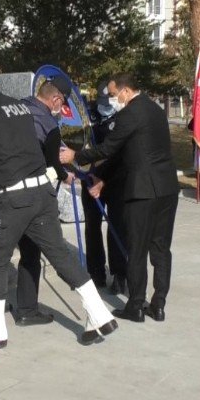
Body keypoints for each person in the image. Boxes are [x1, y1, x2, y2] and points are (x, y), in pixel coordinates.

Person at [0, 67, 117, 347]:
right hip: (41, 194)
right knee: (60, 254)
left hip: (14, 199)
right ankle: (99, 314)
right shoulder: (18, 107)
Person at [60, 72, 179, 324]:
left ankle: (135, 306)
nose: (113, 99)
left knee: (136, 249)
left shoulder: (128, 114)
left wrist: (76, 157)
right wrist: (103, 179)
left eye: (114, 95)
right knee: (160, 248)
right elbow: (133, 152)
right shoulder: (156, 110)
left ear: (125, 91)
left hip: (142, 191)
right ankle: (158, 305)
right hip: (167, 188)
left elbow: (109, 149)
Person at [10, 78, 75, 326]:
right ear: (56, 99)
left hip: (3, 192)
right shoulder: (49, 124)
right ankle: (26, 309)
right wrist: (65, 175)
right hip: (32, 197)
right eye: (63, 104)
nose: (61, 109)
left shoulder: (15, 107)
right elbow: (52, 163)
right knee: (32, 253)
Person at [81, 85, 128, 293]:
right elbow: (76, 142)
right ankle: (96, 272)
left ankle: (119, 274)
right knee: (92, 226)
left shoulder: (124, 116)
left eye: (113, 96)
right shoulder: (87, 115)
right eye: (106, 97)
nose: (110, 101)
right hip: (90, 178)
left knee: (117, 226)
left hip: (116, 180)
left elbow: (121, 152)